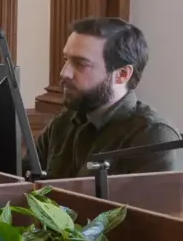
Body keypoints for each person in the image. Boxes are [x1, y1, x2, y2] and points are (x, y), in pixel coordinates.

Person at [35, 17, 181, 178]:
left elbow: (152, 203)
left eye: (81, 63)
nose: (64, 73)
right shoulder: (63, 122)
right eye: (66, 60)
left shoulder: (153, 136)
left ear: (122, 74)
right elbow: (21, 183)